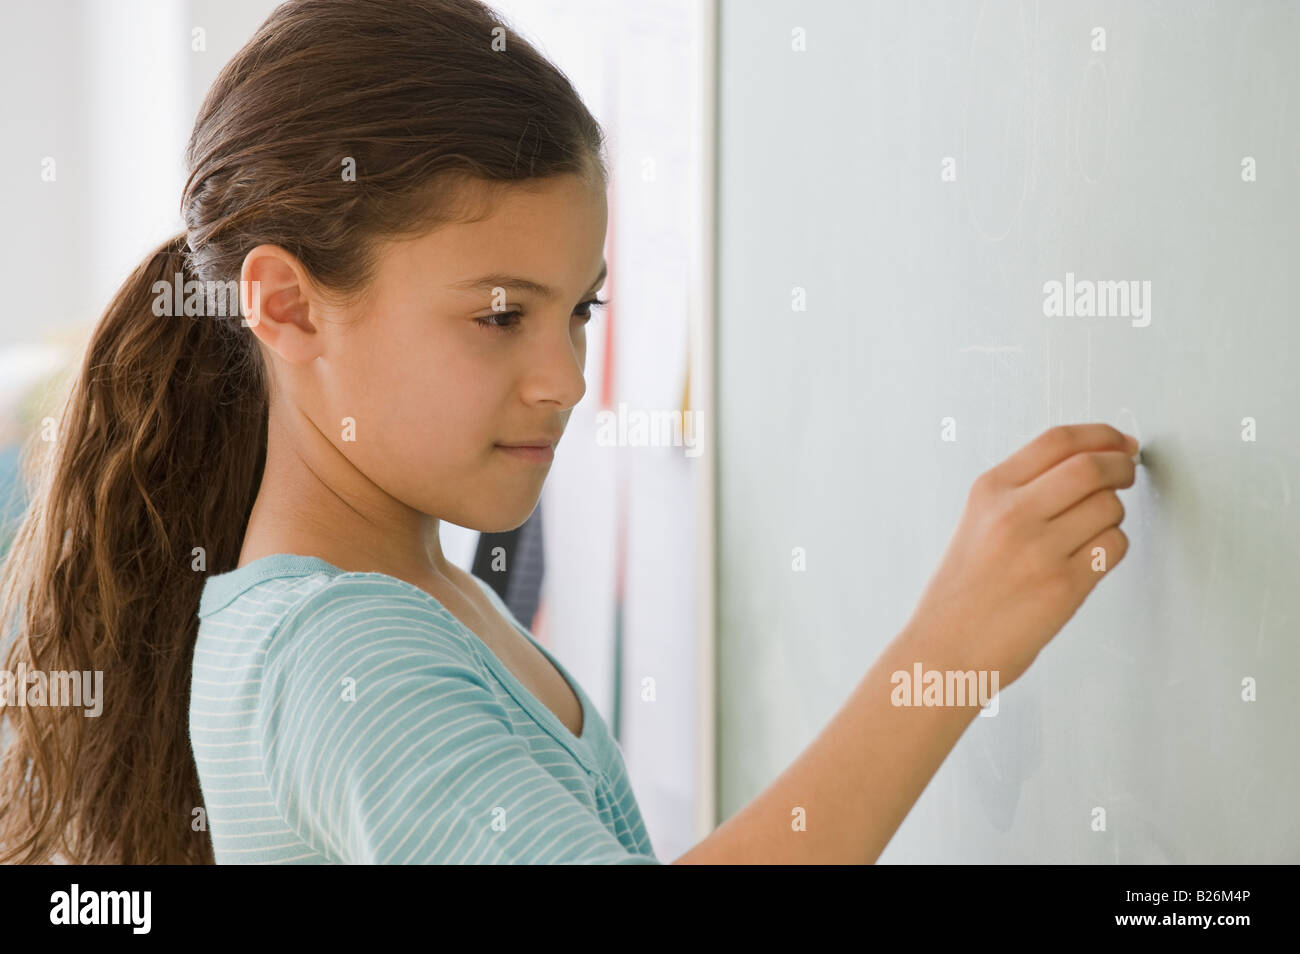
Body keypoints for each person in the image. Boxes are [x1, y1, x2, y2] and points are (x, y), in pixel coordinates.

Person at [0, 0, 1138, 864]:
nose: (567, 378)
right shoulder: (341, 654)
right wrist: (945, 654)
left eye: (579, 309)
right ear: (289, 307)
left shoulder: (422, 594)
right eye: (500, 316)